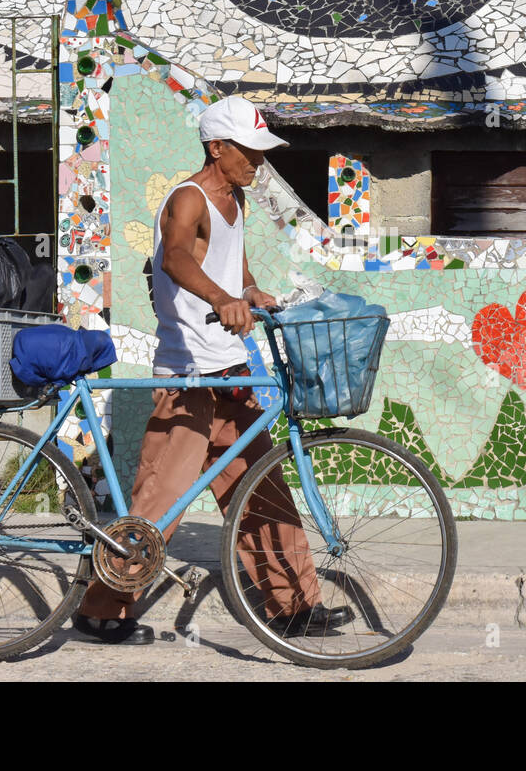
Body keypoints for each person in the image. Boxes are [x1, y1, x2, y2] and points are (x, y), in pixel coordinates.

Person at [74, 96, 353, 644]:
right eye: (249, 152)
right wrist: (223, 299)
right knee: (160, 502)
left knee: (263, 491)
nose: (258, 162)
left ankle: (293, 606)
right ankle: (101, 607)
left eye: (261, 153)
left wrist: (249, 292)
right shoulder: (188, 198)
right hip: (187, 378)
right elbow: (174, 257)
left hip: (230, 372)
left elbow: (235, 264)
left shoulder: (236, 202)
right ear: (217, 147)